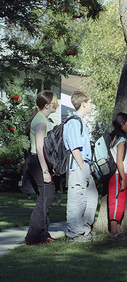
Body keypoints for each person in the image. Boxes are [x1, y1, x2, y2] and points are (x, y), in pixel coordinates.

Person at [63, 91, 98, 242]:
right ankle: (74, 233)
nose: (92, 105)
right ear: (83, 104)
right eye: (90, 102)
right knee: (77, 198)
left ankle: (84, 228)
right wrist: (83, 166)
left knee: (91, 197)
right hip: (78, 166)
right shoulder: (74, 122)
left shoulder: (81, 122)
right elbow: (74, 148)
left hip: (84, 165)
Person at [24, 90, 58, 245]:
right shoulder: (40, 121)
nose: (56, 104)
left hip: (39, 162)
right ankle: (32, 237)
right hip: (38, 163)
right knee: (46, 198)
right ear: (47, 105)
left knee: (45, 199)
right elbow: (39, 147)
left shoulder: (43, 119)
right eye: (54, 102)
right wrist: (45, 170)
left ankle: (43, 235)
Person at [108, 112, 127, 241]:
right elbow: (119, 160)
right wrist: (123, 178)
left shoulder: (114, 137)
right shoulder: (121, 140)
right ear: (122, 124)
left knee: (118, 202)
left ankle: (118, 229)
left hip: (117, 173)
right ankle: (113, 231)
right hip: (118, 173)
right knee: (116, 202)